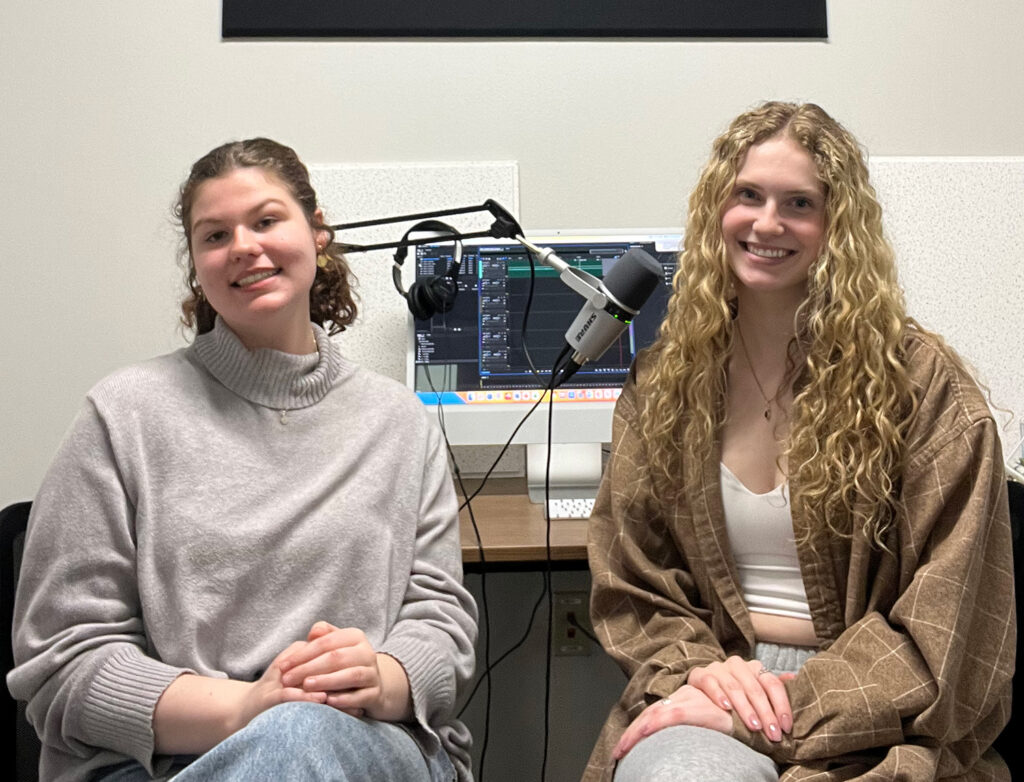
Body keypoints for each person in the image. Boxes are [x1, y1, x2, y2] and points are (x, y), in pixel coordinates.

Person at [7, 138, 478, 782]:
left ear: (317, 233)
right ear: (197, 266)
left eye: (266, 220)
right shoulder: (122, 416)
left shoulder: (399, 423)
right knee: (290, 739)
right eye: (215, 235)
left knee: (305, 736)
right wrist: (249, 707)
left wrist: (383, 677)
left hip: (365, 744)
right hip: (162, 763)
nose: (244, 247)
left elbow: (439, 622)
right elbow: (62, 662)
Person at [584, 102, 1014, 781]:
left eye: (799, 204)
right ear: (715, 212)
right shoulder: (666, 381)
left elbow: (949, 629)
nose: (766, 223)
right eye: (747, 196)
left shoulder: (925, 390)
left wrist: (782, 706)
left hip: (880, 714)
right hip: (710, 683)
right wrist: (705, 679)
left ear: (837, 228)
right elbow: (633, 584)